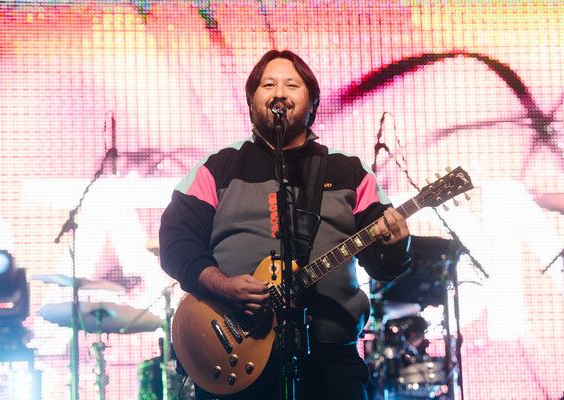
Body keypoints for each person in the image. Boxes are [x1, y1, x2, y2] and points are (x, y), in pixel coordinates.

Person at [159, 49, 412, 400]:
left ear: (312, 102)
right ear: (251, 101)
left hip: (330, 363)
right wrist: (223, 285)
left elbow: (383, 266)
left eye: (292, 85)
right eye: (268, 85)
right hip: (236, 352)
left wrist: (397, 245)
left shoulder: (350, 172)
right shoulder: (217, 167)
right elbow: (176, 243)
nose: (279, 93)